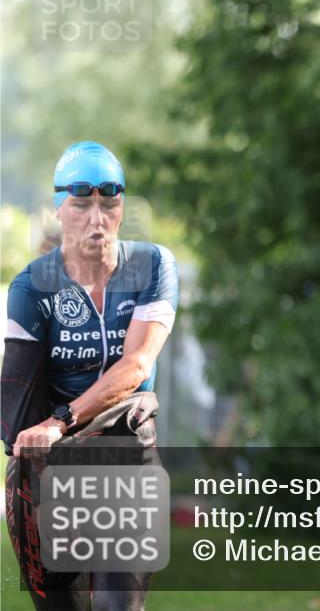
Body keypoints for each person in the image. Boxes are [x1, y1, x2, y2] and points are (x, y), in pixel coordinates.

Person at [2, 141, 179, 611]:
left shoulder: (153, 266)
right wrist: (29, 476)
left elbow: (137, 364)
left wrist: (60, 420)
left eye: (109, 203)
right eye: (81, 204)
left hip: (129, 454)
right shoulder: (30, 288)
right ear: (59, 209)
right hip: (59, 470)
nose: (96, 218)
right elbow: (17, 405)